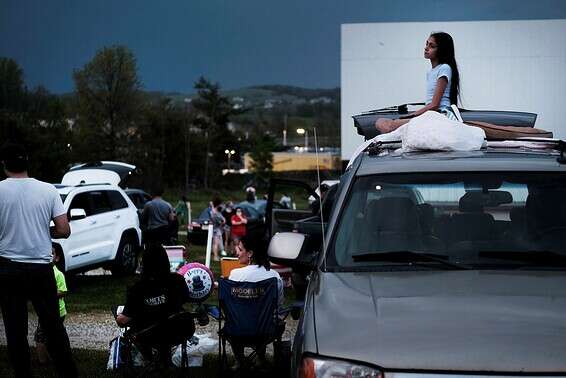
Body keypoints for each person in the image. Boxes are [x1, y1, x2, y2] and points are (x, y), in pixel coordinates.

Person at [0, 142, 77, 377]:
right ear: (27, 164)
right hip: (41, 269)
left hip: (8, 268)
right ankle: (67, 372)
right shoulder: (48, 190)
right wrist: (44, 231)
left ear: (4, 165)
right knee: (53, 327)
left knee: (15, 330)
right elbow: (64, 230)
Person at [375, 32, 461, 134]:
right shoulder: (430, 72)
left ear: (441, 50)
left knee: (385, 124)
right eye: (427, 44)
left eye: (432, 46)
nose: (426, 48)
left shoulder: (444, 68)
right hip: (431, 114)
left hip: (439, 114)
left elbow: (434, 105)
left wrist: (414, 114)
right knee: (381, 122)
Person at [228, 235, 284, 369]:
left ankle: (240, 360)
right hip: (266, 331)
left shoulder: (235, 275)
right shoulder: (274, 277)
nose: (237, 252)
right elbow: (279, 305)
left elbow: (228, 306)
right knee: (264, 318)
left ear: (250, 253)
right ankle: (260, 359)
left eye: (240, 250)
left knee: (235, 319)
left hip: (238, 332)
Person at [116, 244, 190, 332]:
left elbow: (124, 320)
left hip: (149, 336)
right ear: (165, 260)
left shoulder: (137, 289)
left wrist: (119, 317)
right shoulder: (178, 280)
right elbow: (185, 299)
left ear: (144, 263)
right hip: (178, 331)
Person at [35, 244, 69, 365]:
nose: (49, 256)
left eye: (52, 253)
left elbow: (63, 291)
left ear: (57, 258)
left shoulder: (58, 274)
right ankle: (46, 359)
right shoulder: (41, 275)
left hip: (57, 311)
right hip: (44, 310)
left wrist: (49, 293)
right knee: (43, 335)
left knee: (44, 335)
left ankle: (45, 360)